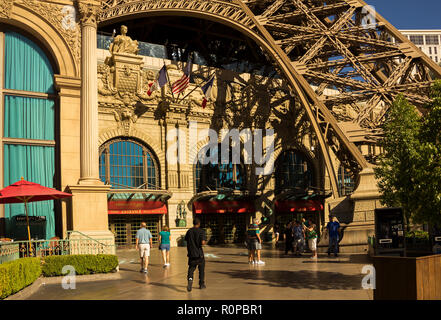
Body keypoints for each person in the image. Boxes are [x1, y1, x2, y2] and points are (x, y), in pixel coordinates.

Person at [185, 218, 207, 292]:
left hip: (191, 254)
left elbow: (186, 240)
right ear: (199, 223)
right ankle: (201, 284)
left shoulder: (189, 231)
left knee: (191, 268)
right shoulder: (201, 231)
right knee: (201, 270)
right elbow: (203, 242)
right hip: (199, 254)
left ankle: (190, 280)